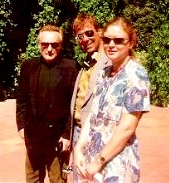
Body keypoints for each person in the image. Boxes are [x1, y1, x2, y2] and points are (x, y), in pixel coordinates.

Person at [73, 17, 150, 182]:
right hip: (92, 158)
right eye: (107, 40)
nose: (111, 45)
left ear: (130, 43)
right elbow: (93, 114)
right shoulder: (104, 72)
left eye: (119, 40)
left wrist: (99, 161)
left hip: (116, 161)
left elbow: (127, 128)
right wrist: (79, 148)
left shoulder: (136, 74)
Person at [16, 24, 78, 183]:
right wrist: (22, 125)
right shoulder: (28, 66)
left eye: (54, 45)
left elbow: (74, 105)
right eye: (45, 44)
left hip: (57, 139)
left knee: (57, 180)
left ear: (60, 46)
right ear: (39, 45)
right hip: (34, 136)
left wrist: (66, 135)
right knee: (32, 179)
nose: (49, 49)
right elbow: (21, 100)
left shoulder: (70, 67)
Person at [66, 12, 109, 182]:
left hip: (95, 133)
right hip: (78, 131)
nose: (85, 39)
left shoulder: (109, 61)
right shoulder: (87, 62)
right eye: (79, 36)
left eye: (89, 33)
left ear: (100, 31)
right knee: (79, 178)